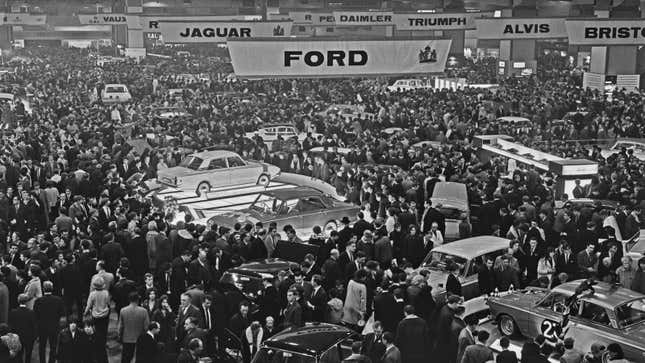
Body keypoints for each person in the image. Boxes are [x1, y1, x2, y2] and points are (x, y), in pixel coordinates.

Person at [34, 281, 65, 363]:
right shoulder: (58, 300)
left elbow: (35, 315)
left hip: (42, 327)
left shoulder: (38, 301)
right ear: (52, 289)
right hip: (54, 327)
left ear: (43, 289)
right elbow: (62, 314)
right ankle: (52, 361)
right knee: (53, 347)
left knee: (42, 347)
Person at [84, 276, 110, 363]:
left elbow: (88, 306)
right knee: (104, 330)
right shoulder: (106, 293)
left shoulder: (92, 294)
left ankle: (97, 346)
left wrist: (85, 313)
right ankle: (103, 344)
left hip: (95, 316)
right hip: (105, 316)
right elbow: (108, 303)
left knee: (96, 332)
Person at [118, 292, 150, 363]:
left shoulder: (123, 310)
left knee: (126, 360)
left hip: (127, 339)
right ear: (138, 300)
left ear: (129, 300)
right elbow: (146, 327)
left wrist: (120, 338)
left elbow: (120, 327)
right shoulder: (144, 311)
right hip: (140, 340)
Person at [8, 294, 36, 363]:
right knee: (28, 355)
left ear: (18, 301)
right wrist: (34, 337)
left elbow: (11, 326)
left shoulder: (13, 312)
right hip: (29, 338)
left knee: (18, 356)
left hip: (18, 337)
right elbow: (34, 326)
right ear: (26, 301)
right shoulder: (31, 313)